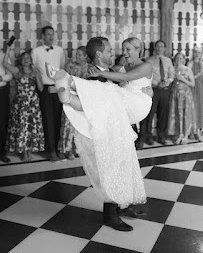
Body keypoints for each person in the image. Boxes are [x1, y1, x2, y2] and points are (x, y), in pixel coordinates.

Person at [46, 36, 153, 232]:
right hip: (115, 124)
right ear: (99, 54)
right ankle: (114, 212)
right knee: (116, 165)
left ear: (140, 49)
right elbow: (100, 98)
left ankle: (69, 86)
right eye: (115, 50)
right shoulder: (106, 73)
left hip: (130, 113)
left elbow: (125, 81)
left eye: (128, 49)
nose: (120, 53)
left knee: (122, 164)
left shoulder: (126, 70)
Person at [3, 45, 45, 162]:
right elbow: (5, 63)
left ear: (31, 60)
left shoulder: (35, 71)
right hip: (21, 103)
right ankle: (23, 151)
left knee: (31, 127)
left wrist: (38, 76)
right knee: (22, 127)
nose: (26, 59)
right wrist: (8, 49)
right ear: (21, 60)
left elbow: (41, 89)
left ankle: (29, 151)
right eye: (24, 58)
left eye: (28, 57)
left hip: (33, 103)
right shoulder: (17, 70)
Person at [31, 25, 65, 162]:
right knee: (48, 119)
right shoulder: (36, 51)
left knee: (58, 119)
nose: (51, 37)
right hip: (44, 89)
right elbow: (34, 71)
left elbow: (62, 69)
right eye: (48, 34)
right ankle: (50, 149)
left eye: (52, 34)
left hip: (58, 88)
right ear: (42, 36)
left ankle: (58, 148)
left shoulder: (60, 50)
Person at [135, 40, 174, 148]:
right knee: (149, 114)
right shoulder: (149, 60)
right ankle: (147, 136)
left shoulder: (168, 61)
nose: (159, 48)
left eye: (162, 46)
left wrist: (168, 81)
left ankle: (161, 136)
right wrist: (156, 83)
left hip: (165, 90)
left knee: (163, 114)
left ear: (164, 48)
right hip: (153, 90)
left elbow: (172, 74)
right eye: (157, 46)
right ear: (154, 48)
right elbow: (146, 74)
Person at [58, 46, 90, 159]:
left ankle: (78, 148)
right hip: (70, 97)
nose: (77, 57)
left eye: (80, 55)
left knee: (80, 124)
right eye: (77, 54)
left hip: (82, 101)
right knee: (67, 124)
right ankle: (66, 149)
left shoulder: (90, 69)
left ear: (86, 56)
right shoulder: (71, 66)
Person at [168, 53, 196, 145]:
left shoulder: (187, 70)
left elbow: (192, 84)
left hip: (185, 96)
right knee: (176, 114)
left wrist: (183, 79)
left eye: (181, 58)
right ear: (174, 59)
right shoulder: (172, 69)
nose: (179, 60)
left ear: (184, 60)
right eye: (177, 58)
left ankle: (186, 135)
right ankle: (179, 134)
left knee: (185, 114)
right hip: (175, 95)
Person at [187, 47, 203, 140]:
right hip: (192, 88)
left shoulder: (202, 64)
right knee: (192, 109)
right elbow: (188, 78)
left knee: (199, 110)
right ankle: (191, 132)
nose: (197, 54)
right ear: (193, 53)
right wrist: (197, 75)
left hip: (200, 89)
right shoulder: (190, 63)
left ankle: (198, 131)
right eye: (196, 52)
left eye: (199, 52)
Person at [0, 49, 13, 163]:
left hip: (2, 92)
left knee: (3, 122)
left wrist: (1, 78)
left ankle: (2, 153)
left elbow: (10, 74)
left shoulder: (4, 55)